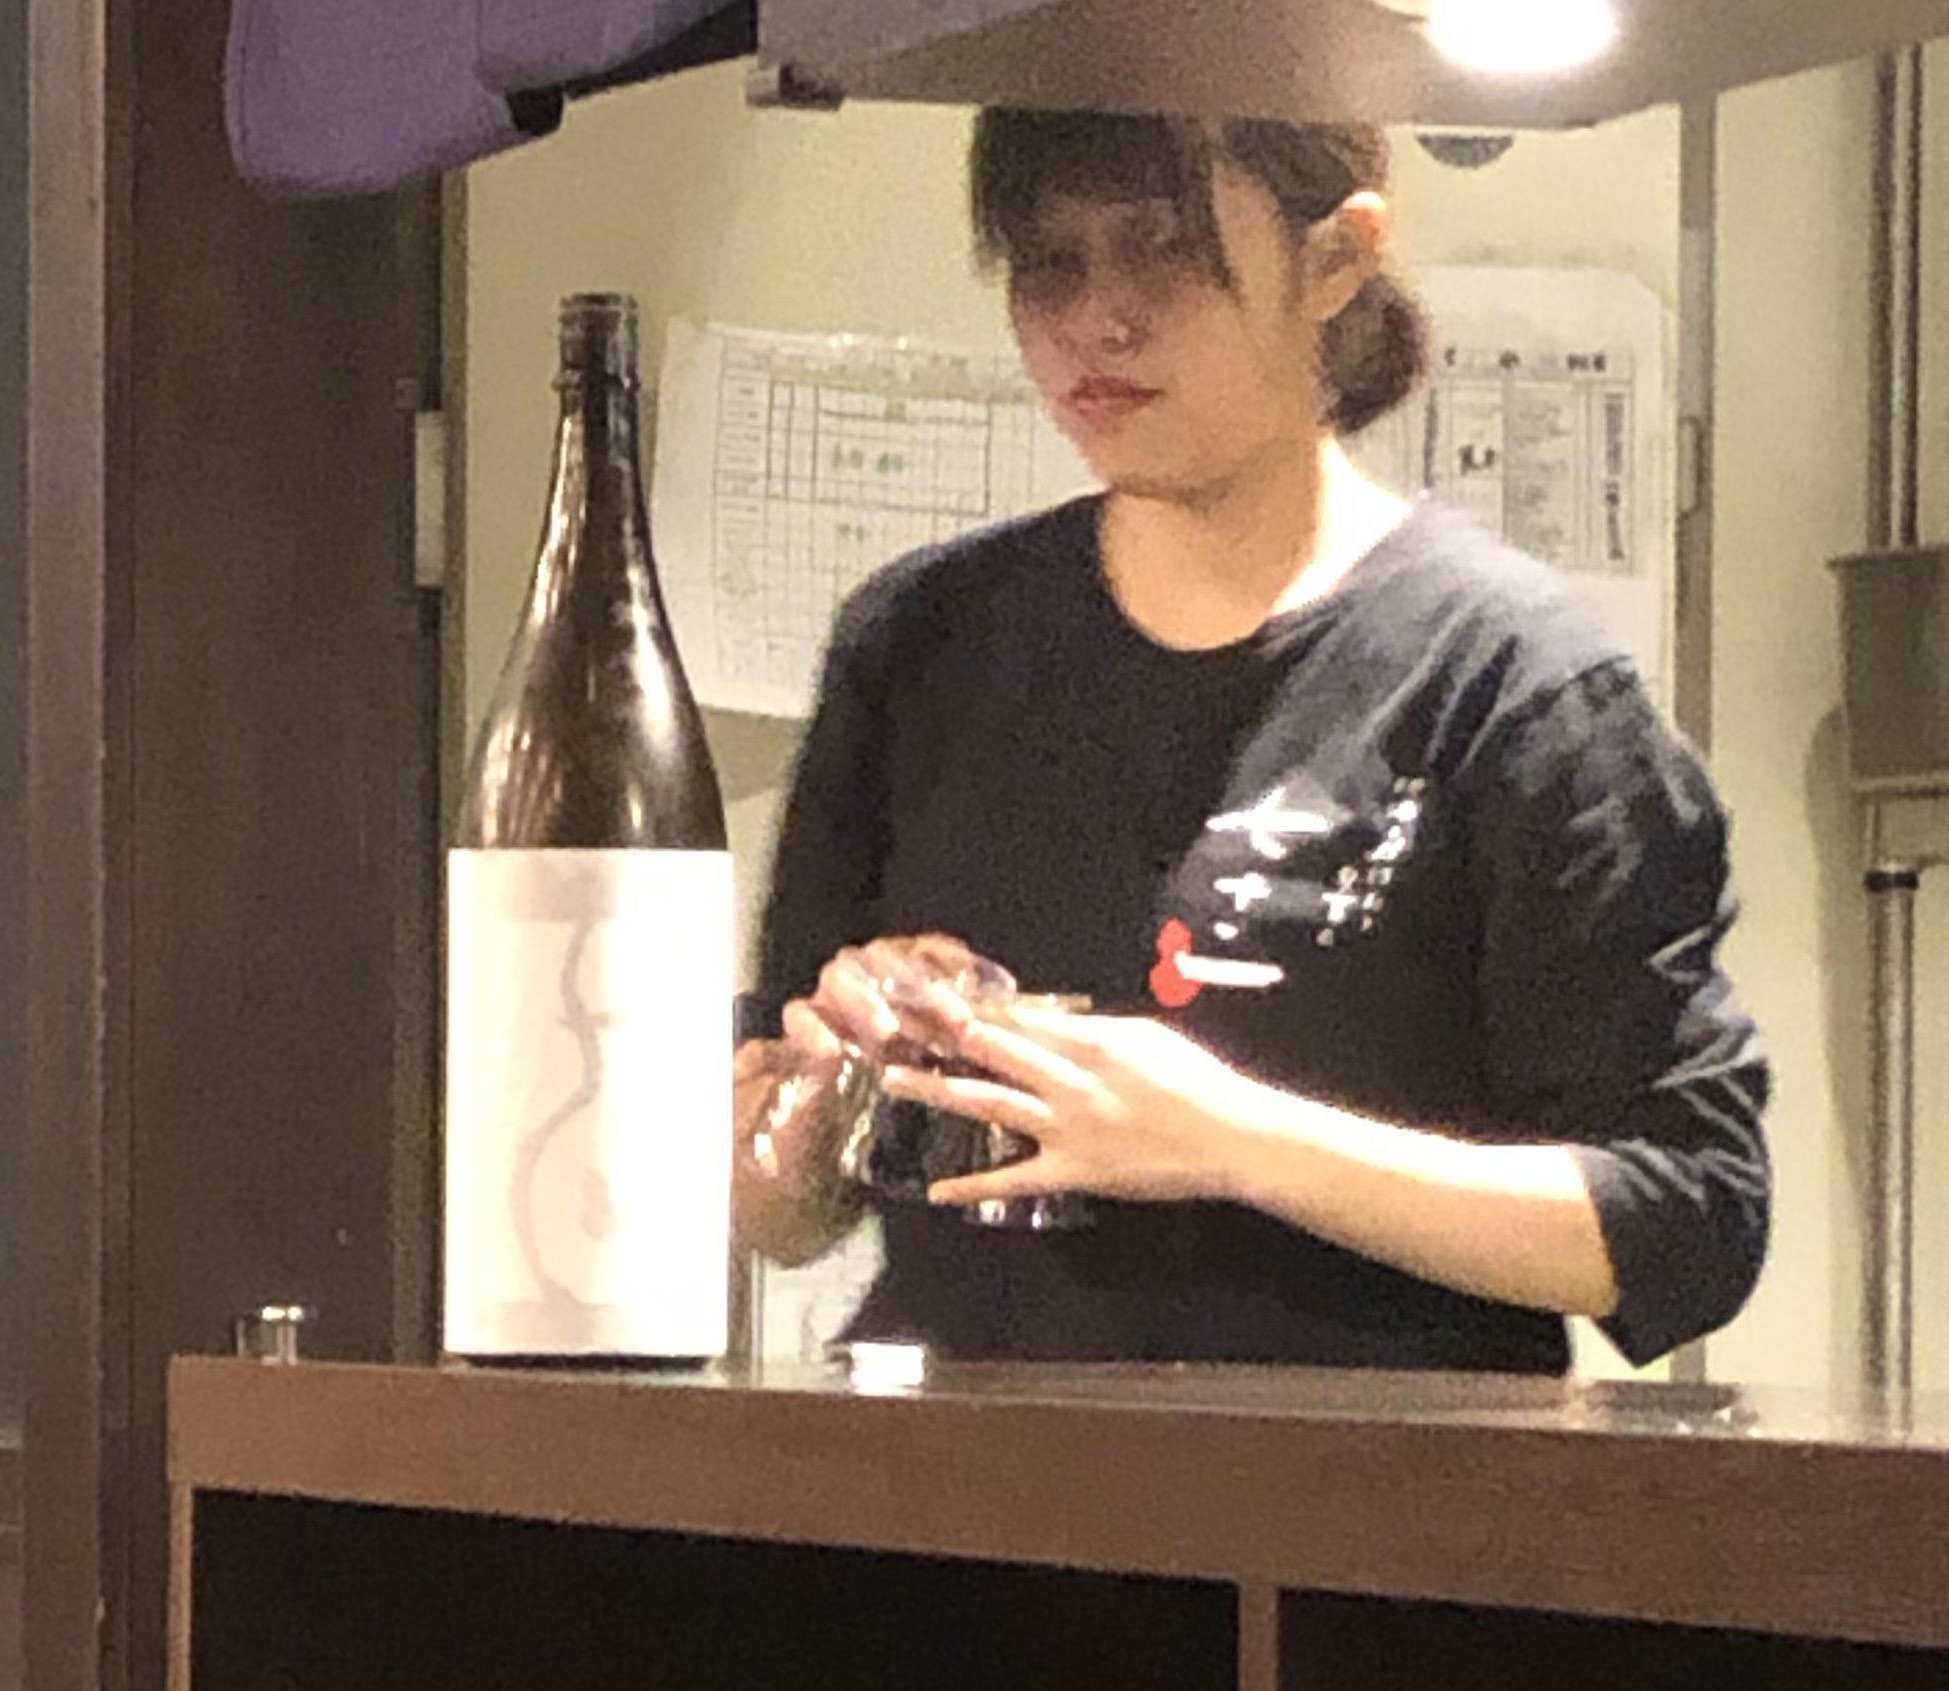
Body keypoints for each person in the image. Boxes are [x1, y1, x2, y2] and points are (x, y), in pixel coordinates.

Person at [733, 110, 1769, 1371]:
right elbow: (777, 1217)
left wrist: (1228, 1141)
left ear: (1337, 257)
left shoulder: (1513, 686)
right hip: (951, 1472)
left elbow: (1690, 1220)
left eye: (1161, 249)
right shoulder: (919, 641)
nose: (1097, 320)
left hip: (1353, 1481)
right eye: (1049, 263)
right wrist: (823, 1099)